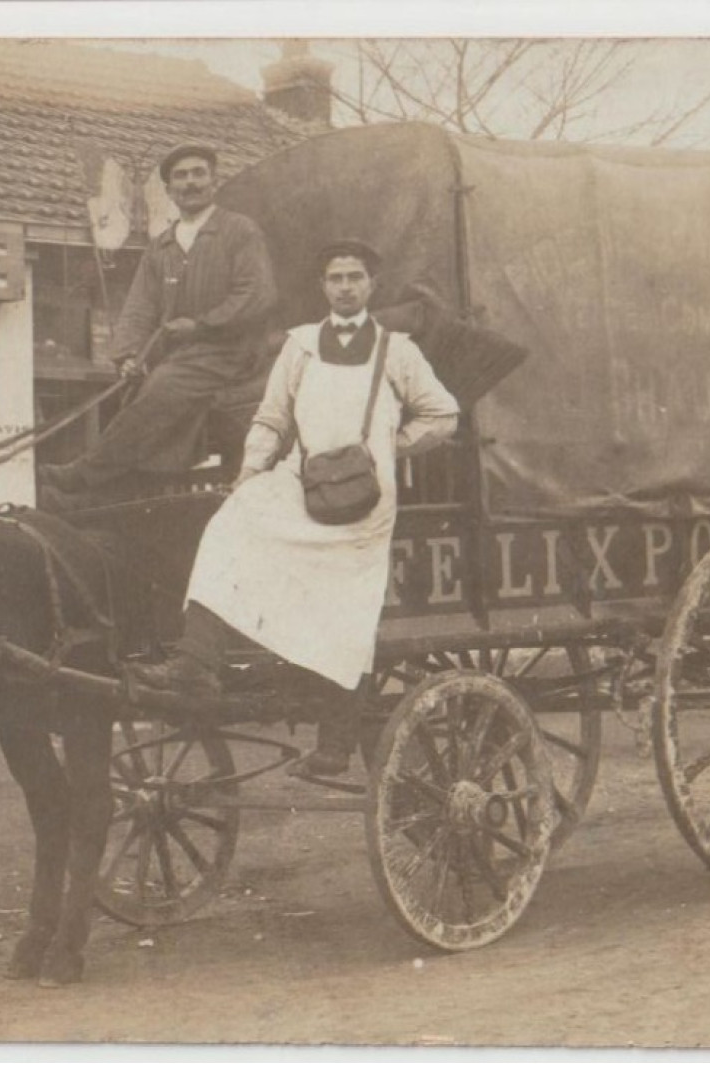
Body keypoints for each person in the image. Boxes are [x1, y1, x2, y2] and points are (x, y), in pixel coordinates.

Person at [128, 240, 460, 778]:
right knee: (228, 526)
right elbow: (271, 419)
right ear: (323, 287)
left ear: (372, 286)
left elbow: (443, 415)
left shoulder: (396, 350)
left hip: (363, 502)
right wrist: (250, 476)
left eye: (355, 277)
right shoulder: (301, 346)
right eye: (336, 277)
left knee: (342, 603)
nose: (346, 286)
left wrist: (389, 447)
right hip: (301, 481)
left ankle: (337, 738)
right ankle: (196, 664)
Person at [38, 143, 277, 506]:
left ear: (214, 181)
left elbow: (257, 293)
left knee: (163, 386)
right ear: (168, 191)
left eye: (199, 173)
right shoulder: (161, 246)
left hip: (231, 351)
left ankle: (85, 475)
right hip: (182, 356)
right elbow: (140, 307)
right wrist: (128, 355)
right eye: (180, 176)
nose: (190, 182)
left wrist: (200, 325)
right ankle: (118, 496)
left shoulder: (239, 231)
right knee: (139, 393)